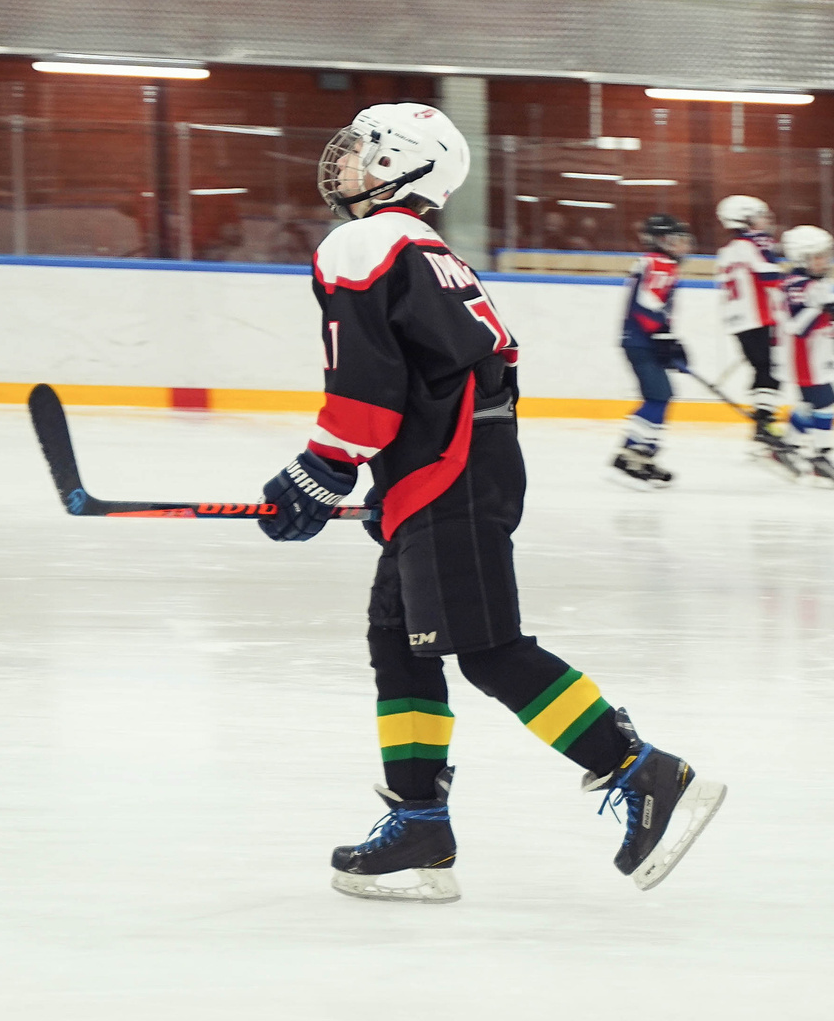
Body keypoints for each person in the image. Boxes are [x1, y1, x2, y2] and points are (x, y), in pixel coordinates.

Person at [256, 103, 725, 903]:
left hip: (448, 470)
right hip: (450, 466)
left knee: (485, 647)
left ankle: (642, 771)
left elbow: (370, 389)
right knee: (400, 644)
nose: (347, 163)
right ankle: (420, 824)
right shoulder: (425, 249)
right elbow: (448, 377)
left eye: (369, 151)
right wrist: (393, 492)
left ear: (407, 166)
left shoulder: (366, 241)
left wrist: (322, 469)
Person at [613, 212, 694, 487]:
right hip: (641, 341)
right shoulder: (661, 263)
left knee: (661, 395)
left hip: (641, 340)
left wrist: (667, 338)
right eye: (675, 240)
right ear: (659, 240)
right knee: (659, 395)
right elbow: (647, 305)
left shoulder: (654, 262)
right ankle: (630, 455)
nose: (682, 246)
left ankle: (643, 454)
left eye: (684, 240)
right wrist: (663, 337)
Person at [777, 225, 834, 484]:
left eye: (826, 255)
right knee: (825, 403)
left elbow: (821, 314)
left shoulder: (817, 283)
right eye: (818, 256)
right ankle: (821, 458)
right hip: (804, 357)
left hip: (817, 355)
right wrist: (828, 310)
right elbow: (796, 325)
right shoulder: (795, 285)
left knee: (813, 405)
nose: (825, 261)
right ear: (801, 258)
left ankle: (787, 447)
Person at [715, 194, 790, 455]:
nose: (765, 221)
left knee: (764, 369)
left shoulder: (726, 251)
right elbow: (767, 274)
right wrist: (791, 282)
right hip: (759, 318)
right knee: (772, 369)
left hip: (738, 321)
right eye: (760, 215)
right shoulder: (753, 243)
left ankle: (764, 423)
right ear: (744, 220)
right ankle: (764, 426)